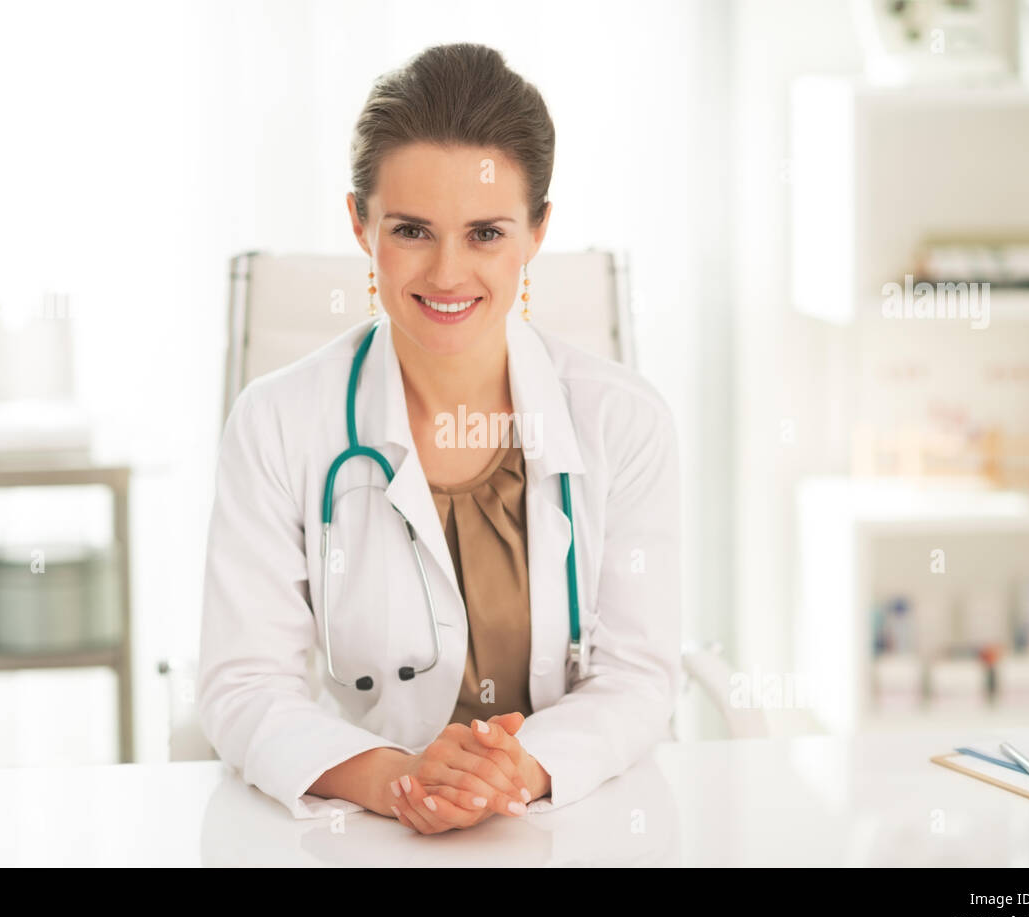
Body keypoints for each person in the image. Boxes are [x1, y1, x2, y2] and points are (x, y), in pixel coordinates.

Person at [198, 42, 681, 834]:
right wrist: (400, 780)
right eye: (413, 229)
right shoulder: (276, 422)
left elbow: (636, 675)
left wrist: (509, 771)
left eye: (486, 233)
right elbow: (243, 683)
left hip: (562, 826)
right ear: (360, 223)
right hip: (355, 831)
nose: (448, 273)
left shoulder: (624, 423)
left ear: (537, 231)